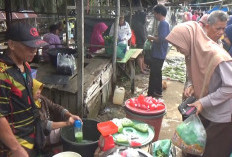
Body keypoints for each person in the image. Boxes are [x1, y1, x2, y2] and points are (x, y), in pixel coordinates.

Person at [166, 21, 232, 157]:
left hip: (221, 117)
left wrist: (203, 102)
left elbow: (229, 87)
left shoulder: (217, 56)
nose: (178, 50)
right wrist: (191, 85)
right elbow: (193, 74)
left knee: (213, 151)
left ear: (189, 39)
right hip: (206, 110)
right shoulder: (193, 54)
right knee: (195, 148)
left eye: (178, 46)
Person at [0, 22, 47, 157]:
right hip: (15, 145)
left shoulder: (25, 65)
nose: (34, 50)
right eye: (29, 46)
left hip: (32, 137)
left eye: (36, 46)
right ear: (11, 44)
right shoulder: (2, 73)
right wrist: (16, 149)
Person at [32, 79, 82, 148]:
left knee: (68, 127)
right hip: (39, 137)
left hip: (47, 130)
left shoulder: (40, 99)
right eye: (36, 90)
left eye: (40, 89)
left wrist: (70, 115)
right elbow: (44, 125)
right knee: (66, 132)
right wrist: (67, 123)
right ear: (30, 91)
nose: (39, 92)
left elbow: (55, 107)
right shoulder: (29, 107)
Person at [147, 4, 170, 98]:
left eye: (155, 14)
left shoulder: (163, 24)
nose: (154, 15)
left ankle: (151, 94)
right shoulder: (164, 23)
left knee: (153, 75)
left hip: (159, 53)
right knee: (157, 73)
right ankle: (158, 91)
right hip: (159, 53)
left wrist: (151, 37)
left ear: (159, 13)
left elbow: (161, 39)